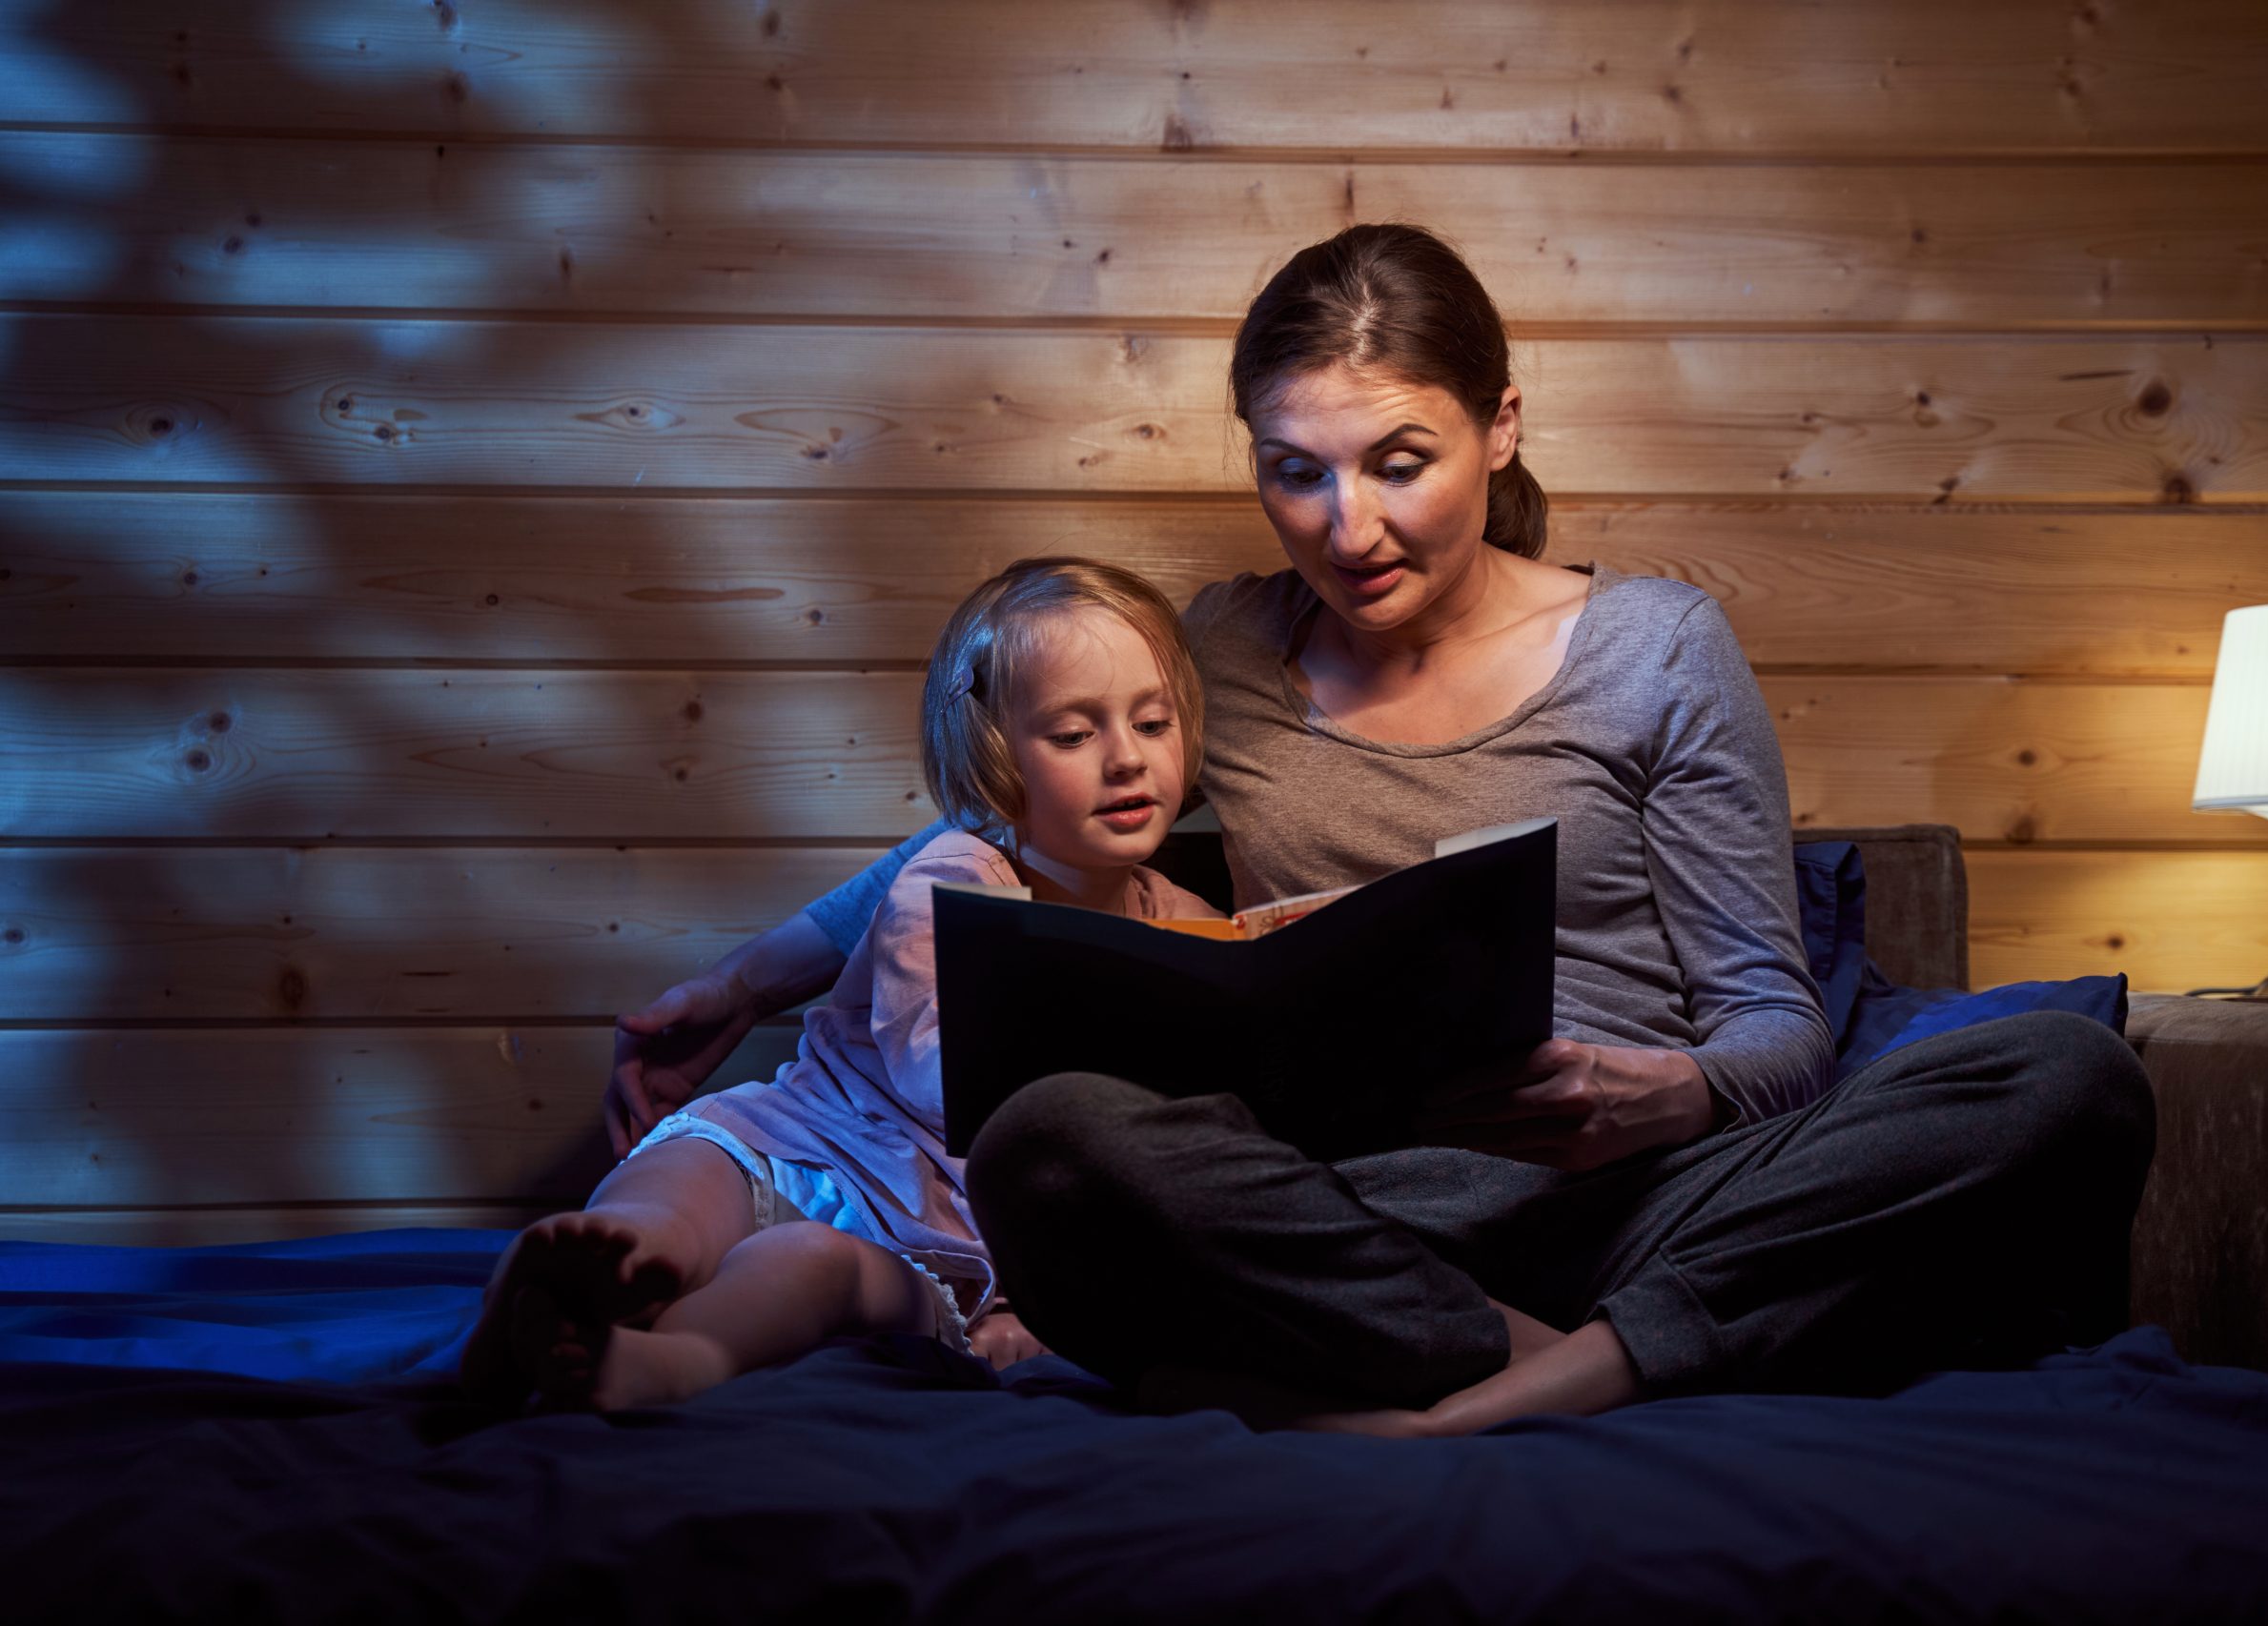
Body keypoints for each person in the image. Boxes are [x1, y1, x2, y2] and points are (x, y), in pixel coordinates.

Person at [603, 225, 2156, 1436]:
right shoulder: (1218, 653)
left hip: (1631, 1201)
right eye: (1297, 473)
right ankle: (1587, 1370)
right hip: (1323, 1218)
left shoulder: (1656, 652)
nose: (1348, 528)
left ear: (1499, 422)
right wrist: (747, 983)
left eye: (1399, 463)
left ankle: (1522, 1382)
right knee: (1050, 1139)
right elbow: (1005, 829)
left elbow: (1777, 1032)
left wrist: (1659, 1095)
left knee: (2064, 1076)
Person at [463, 559, 1224, 1408]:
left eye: (1153, 723)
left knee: (808, 1268)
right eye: (1075, 735)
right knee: (673, 1198)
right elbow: (945, 1082)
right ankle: (554, 1291)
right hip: (807, 1143)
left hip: (932, 1242)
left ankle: (659, 1364)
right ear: (994, 759)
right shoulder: (953, 884)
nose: (1127, 759)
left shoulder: (1186, 921)